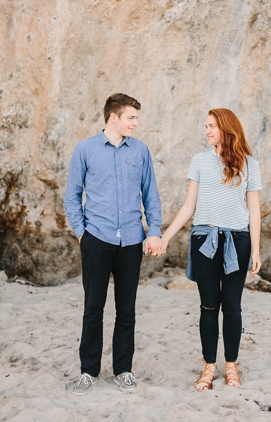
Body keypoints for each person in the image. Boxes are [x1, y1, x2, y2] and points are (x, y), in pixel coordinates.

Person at [64, 93, 164, 396]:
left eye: (136, 118)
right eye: (131, 117)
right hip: (97, 239)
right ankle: (88, 371)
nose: (135, 123)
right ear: (113, 117)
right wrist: (83, 234)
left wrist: (154, 230)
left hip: (132, 241)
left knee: (127, 309)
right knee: (93, 308)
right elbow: (72, 196)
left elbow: (151, 194)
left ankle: (123, 369)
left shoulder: (141, 151)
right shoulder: (85, 150)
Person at [158, 108, 262, 391]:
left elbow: (254, 209)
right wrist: (165, 237)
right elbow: (189, 206)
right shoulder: (200, 161)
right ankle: (208, 367)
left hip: (238, 241)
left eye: (212, 126)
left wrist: (255, 250)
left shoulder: (249, 164)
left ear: (227, 128)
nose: (207, 131)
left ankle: (231, 366)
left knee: (232, 306)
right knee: (208, 305)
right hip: (205, 239)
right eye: (206, 126)